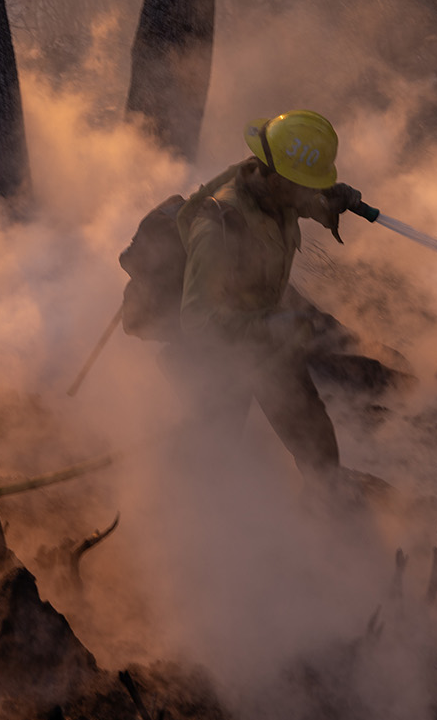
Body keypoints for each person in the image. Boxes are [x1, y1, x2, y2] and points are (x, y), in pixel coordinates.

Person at [154, 109, 365, 477]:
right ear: (276, 176)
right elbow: (198, 320)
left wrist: (329, 204)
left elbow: (303, 204)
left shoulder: (276, 192)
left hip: (268, 340)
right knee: (208, 460)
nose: (309, 192)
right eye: (304, 183)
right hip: (220, 354)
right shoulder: (218, 223)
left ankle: (329, 510)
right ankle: (178, 520)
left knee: (318, 452)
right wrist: (271, 325)